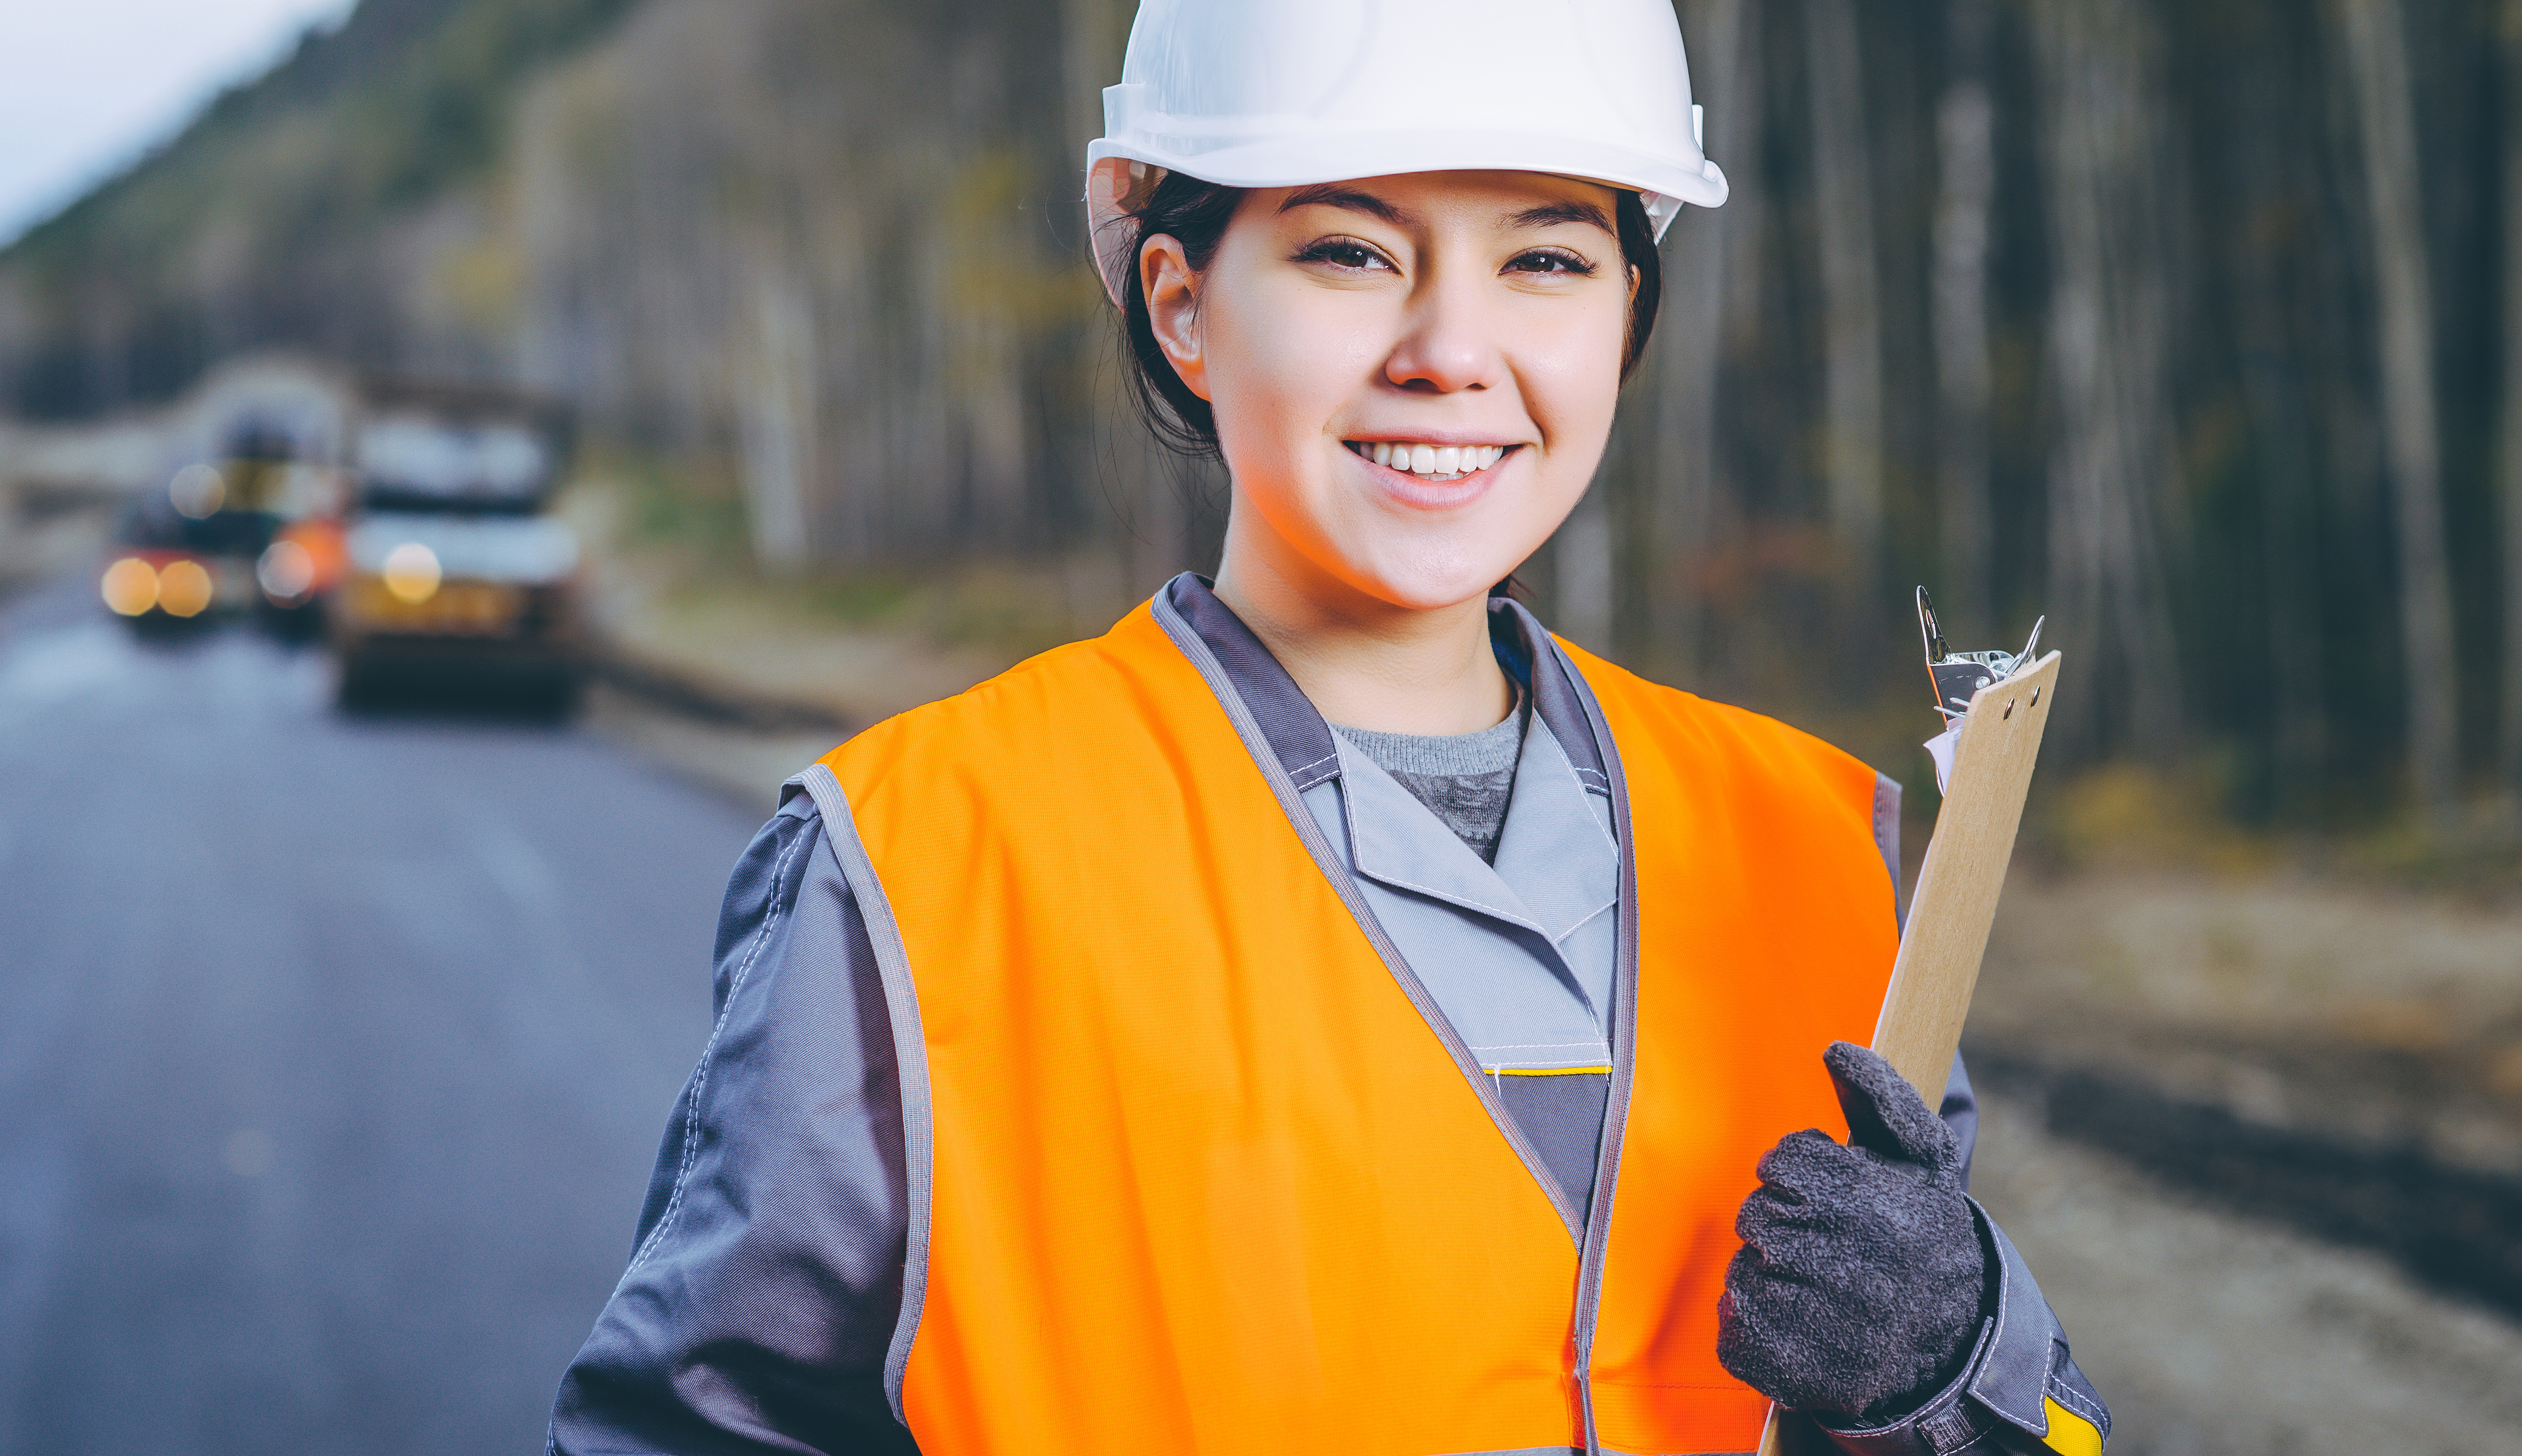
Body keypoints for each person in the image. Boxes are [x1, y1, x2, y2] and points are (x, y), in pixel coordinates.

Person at [549, 2, 2110, 1452]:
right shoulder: (923, 865)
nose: (1450, 349)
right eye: (1352, 255)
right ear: (1183, 305)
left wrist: (1953, 1361)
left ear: (1630, 311)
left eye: (1548, 261)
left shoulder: (1814, 847)